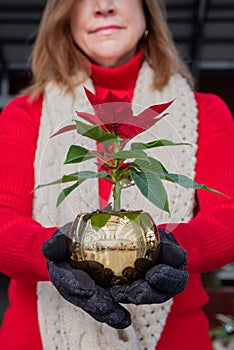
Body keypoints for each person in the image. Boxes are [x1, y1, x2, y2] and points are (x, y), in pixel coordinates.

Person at [0, 0, 233, 349]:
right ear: (65, 18)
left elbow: (227, 216)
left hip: (174, 339)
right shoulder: (24, 113)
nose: (103, 6)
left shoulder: (205, 111)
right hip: (39, 338)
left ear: (147, 13)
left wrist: (171, 251)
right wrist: (51, 254)